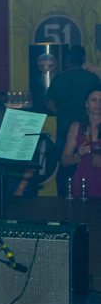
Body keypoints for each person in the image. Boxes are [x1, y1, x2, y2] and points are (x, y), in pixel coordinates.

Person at [46, 45, 101, 195]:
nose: (97, 104)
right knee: (73, 163)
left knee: (64, 173)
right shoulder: (92, 78)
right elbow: (67, 159)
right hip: (77, 129)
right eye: (94, 100)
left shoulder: (59, 79)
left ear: (67, 61)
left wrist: (63, 114)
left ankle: (64, 201)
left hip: (65, 127)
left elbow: (50, 104)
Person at [0, 100, 36, 196]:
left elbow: (31, 166)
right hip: (0, 184)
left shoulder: (16, 136)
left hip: (18, 184)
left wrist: (20, 188)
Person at [61, 88, 101, 198]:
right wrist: (77, 155)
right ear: (86, 104)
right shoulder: (76, 127)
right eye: (94, 100)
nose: (98, 104)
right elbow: (64, 161)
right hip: (83, 181)